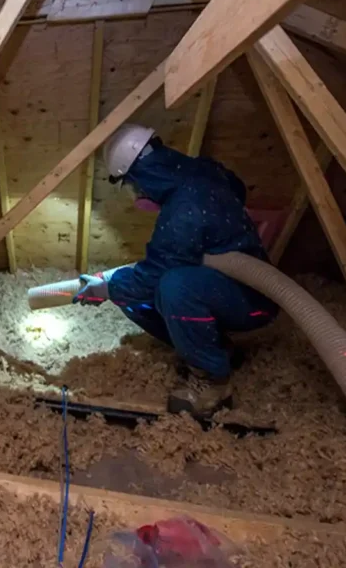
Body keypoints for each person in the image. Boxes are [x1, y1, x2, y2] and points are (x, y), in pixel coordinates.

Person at [73, 124, 278, 417]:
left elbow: (154, 276)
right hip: (225, 287)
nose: (135, 194)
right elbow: (238, 190)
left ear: (142, 175)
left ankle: (213, 384)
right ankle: (217, 349)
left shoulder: (184, 208)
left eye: (130, 185)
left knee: (174, 286)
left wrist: (105, 288)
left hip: (253, 299)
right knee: (137, 291)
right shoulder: (203, 172)